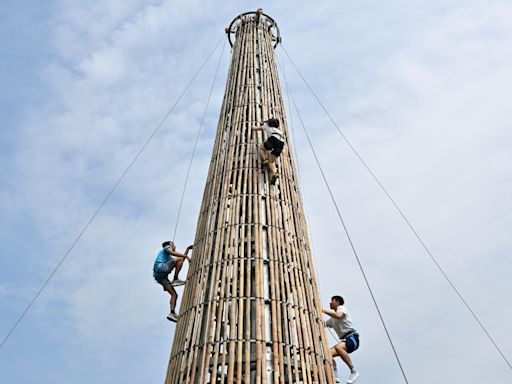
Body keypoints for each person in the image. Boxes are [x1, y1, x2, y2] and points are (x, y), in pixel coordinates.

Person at [323, 296, 360, 384]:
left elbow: (338, 315)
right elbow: (323, 323)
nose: (330, 303)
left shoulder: (342, 309)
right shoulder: (332, 320)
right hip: (345, 340)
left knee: (339, 347)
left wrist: (322, 309)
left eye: (332, 301)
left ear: (338, 302)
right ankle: (335, 375)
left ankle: (353, 371)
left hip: (352, 337)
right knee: (327, 354)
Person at [153, 241, 193, 322]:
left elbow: (181, 260)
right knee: (178, 259)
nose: (175, 246)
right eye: (173, 244)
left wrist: (187, 249)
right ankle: (175, 278)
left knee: (174, 295)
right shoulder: (166, 247)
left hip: (160, 277)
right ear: (170, 245)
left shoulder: (168, 258)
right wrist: (186, 256)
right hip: (160, 268)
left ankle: (172, 313)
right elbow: (175, 254)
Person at [252, 118, 285, 185]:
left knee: (261, 149)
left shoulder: (266, 126)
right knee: (271, 161)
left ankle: (264, 159)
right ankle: (275, 173)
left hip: (273, 140)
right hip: (281, 143)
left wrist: (252, 126)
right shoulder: (279, 131)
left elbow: (255, 128)